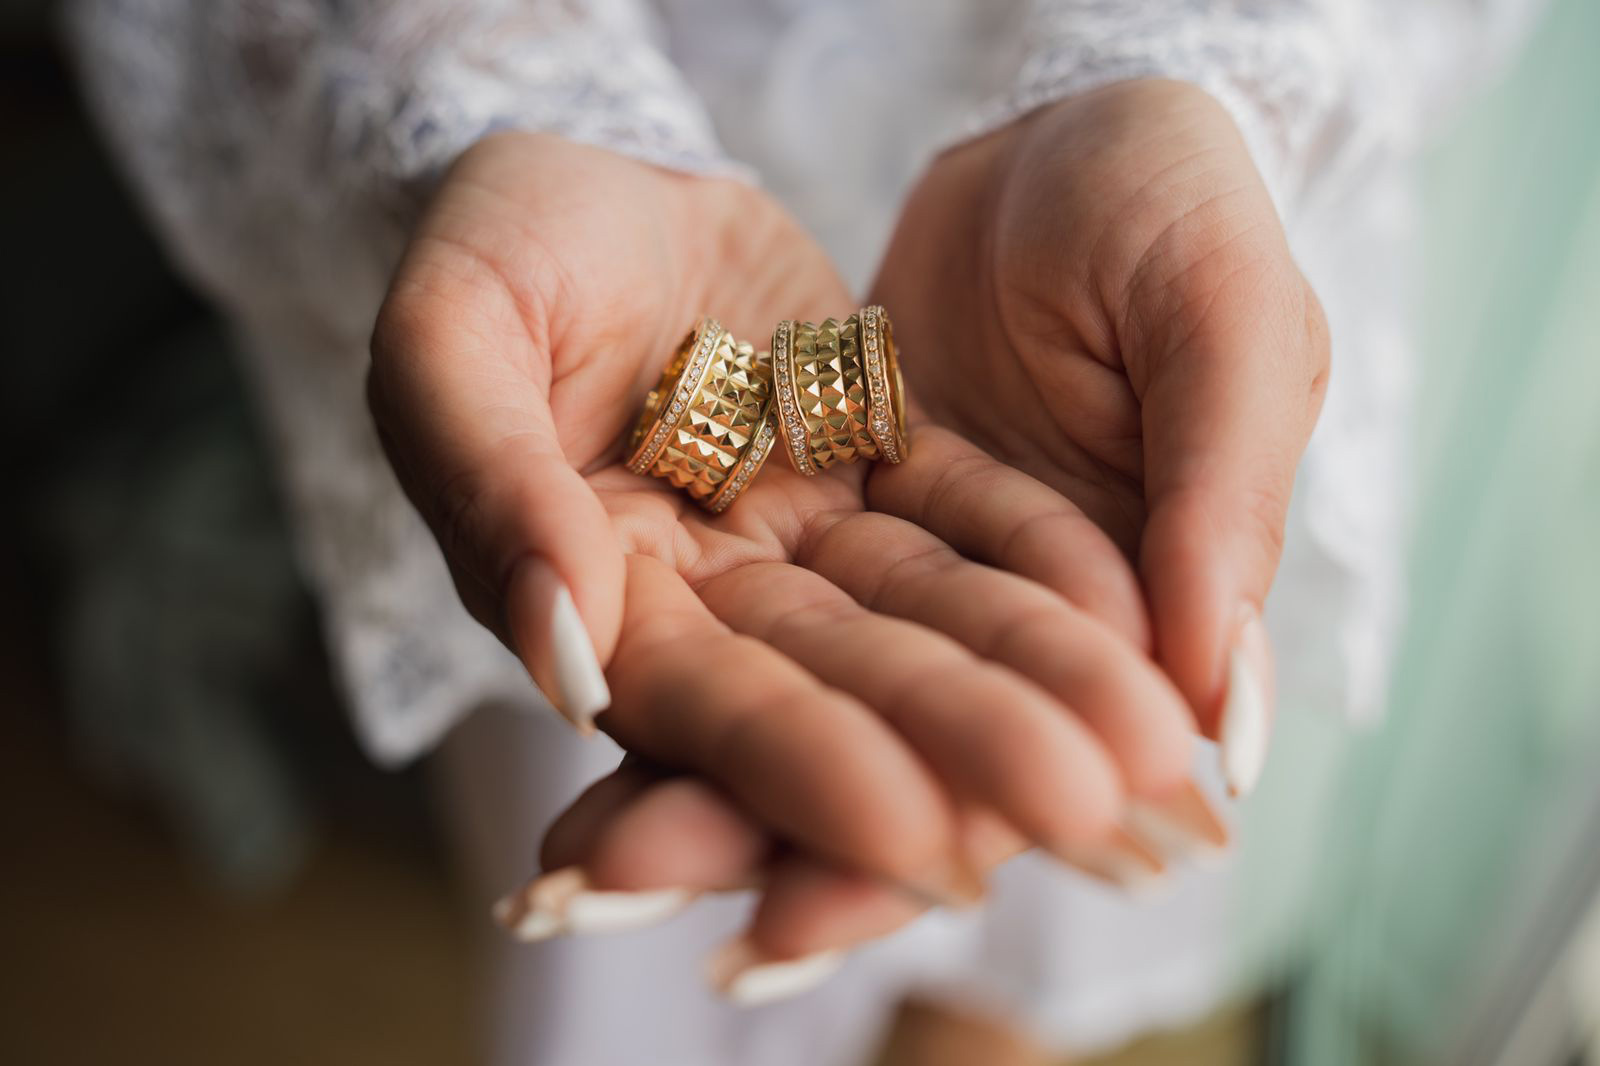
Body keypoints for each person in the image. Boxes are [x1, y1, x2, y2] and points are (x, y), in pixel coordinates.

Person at [66, 2, 1541, 1063]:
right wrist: (488, 82)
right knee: (706, 848)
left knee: (1047, 810)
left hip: (1107, 276)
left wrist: (1210, 62)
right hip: (623, 221)